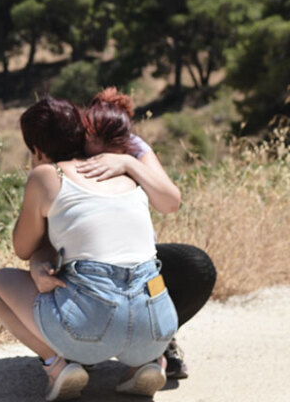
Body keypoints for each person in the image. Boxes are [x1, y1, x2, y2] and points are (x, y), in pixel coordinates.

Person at [0, 97, 181, 400]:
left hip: (89, 331)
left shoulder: (48, 176)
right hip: (159, 328)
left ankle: (56, 366)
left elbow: (22, 247)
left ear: (37, 150)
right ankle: (149, 361)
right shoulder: (124, 167)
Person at [76, 88, 217, 380]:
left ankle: (159, 338)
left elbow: (170, 202)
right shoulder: (70, 144)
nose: (99, 147)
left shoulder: (132, 147)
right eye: (93, 135)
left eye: (114, 137)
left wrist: (129, 163)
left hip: (138, 263)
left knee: (197, 266)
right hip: (82, 264)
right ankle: (72, 348)